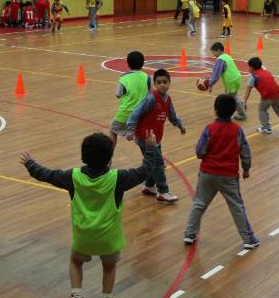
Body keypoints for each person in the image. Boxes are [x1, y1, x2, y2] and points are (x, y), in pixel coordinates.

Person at [20, 131, 157, 298]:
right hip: (109, 239)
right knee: (109, 267)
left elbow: (47, 175)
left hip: (83, 237)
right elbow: (145, 170)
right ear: (110, 157)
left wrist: (30, 164)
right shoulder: (119, 178)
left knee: (76, 262)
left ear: (83, 156)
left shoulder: (73, 177)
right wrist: (151, 148)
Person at [183, 94, 259, 250]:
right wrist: (246, 169)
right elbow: (245, 152)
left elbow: (199, 151)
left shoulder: (209, 129)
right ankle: (248, 239)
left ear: (215, 110)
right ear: (233, 111)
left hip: (207, 174)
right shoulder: (237, 130)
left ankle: (189, 234)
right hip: (229, 176)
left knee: (199, 203)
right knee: (236, 206)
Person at [126, 69, 186, 203]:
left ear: (169, 83)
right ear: (154, 84)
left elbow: (172, 115)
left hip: (156, 137)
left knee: (153, 162)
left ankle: (148, 185)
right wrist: (130, 130)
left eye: (165, 82)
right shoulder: (151, 98)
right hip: (145, 138)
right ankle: (163, 191)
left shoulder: (167, 99)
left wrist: (179, 125)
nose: (162, 85)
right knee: (158, 163)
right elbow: (135, 113)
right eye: (159, 82)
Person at [242, 57, 279, 135]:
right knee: (277, 108)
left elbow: (248, 90)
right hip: (277, 93)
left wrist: (244, 101)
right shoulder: (266, 72)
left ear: (251, 67)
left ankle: (266, 128)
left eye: (248, 67)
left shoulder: (253, 76)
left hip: (267, 95)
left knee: (262, 110)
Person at [110, 51, 151, 147]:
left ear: (128, 64)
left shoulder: (123, 78)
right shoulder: (147, 77)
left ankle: (108, 157)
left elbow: (118, 94)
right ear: (143, 63)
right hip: (142, 114)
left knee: (113, 132)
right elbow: (151, 93)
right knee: (144, 139)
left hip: (125, 113)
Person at [208, 42, 246, 120]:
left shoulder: (220, 59)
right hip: (236, 78)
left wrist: (211, 84)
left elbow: (216, 74)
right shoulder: (226, 56)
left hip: (231, 81)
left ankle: (241, 114)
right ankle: (241, 104)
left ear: (218, 50)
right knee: (233, 96)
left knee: (230, 99)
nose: (213, 54)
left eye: (213, 52)